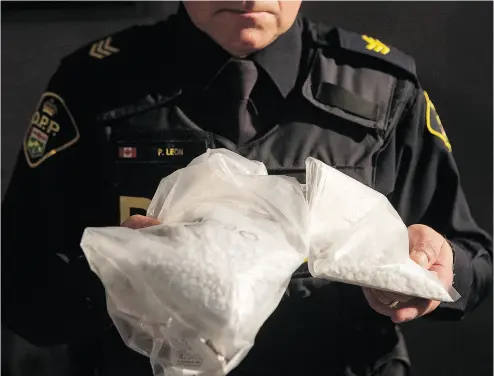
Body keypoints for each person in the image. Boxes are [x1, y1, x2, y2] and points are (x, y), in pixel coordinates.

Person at [3, 1, 492, 376]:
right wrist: (119, 280)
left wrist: (437, 266)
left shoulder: (381, 89)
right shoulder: (95, 84)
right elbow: (20, 286)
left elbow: (473, 264)